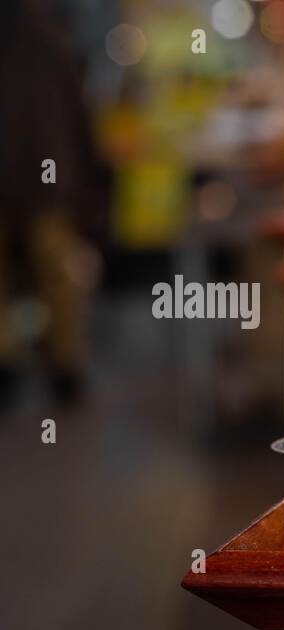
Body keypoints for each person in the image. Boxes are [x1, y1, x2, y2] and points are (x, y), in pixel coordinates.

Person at [0, 0, 107, 406]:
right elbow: (79, 114)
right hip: (46, 176)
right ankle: (66, 367)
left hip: (27, 175)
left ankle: (8, 364)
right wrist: (87, 173)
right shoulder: (51, 40)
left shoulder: (46, 40)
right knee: (57, 273)